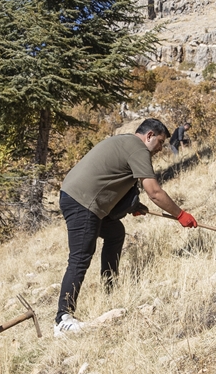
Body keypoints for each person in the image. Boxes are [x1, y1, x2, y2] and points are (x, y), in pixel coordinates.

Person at [55, 118, 197, 335]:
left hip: (77, 197)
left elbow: (113, 178)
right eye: (159, 142)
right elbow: (154, 192)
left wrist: (132, 206)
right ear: (149, 136)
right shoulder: (138, 149)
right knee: (80, 256)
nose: (159, 149)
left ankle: (110, 289)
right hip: (83, 202)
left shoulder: (124, 142)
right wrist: (180, 215)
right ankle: (63, 319)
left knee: (115, 233)